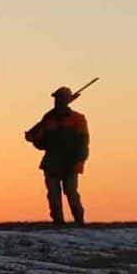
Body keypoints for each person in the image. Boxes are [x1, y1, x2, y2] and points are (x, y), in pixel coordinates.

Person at [24, 86, 89, 225]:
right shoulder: (49, 118)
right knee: (53, 194)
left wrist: (80, 161)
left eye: (60, 99)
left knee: (71, 192)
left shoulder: (78, 119)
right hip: (52, 162)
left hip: (70, 163)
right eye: (57, 98)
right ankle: (58, 222)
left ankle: (79, 221)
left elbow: (83, 143)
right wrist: (34, 138)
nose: (57, 101)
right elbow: (38, 140)